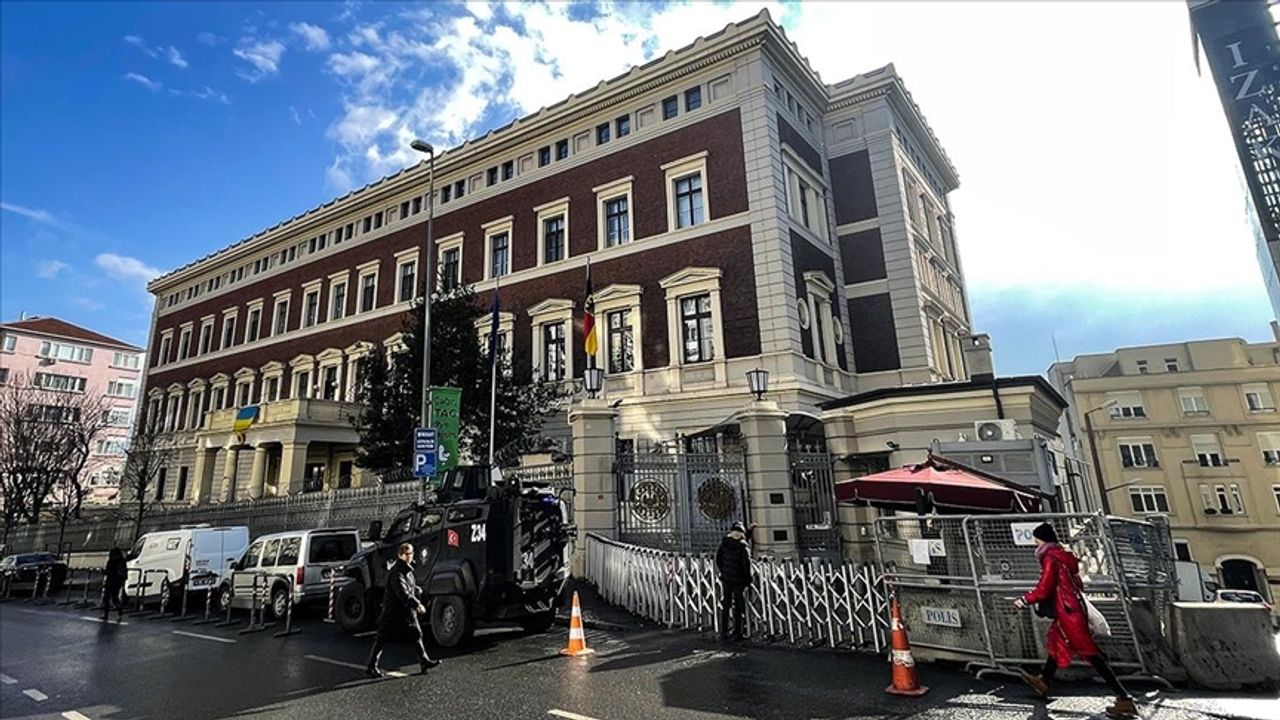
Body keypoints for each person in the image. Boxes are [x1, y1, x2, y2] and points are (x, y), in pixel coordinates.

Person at [1013, 523, 1136, 717]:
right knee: (1056, 641)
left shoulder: (1050, 557)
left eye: (1037, 541)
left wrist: (1025, 599)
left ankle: (1124, 698)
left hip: (1068, 611)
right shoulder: (1063, 555)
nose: (1035, 544)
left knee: (1092, 654)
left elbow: (1044, 587)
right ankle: (1044, 680)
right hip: (1072, 608)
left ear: (1043, 540)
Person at [366, 543, 440, 677]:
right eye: (408, 554)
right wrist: (417, 605)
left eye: (411, 553)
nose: (410, 556)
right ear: (401, 555)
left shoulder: (407, 570)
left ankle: (424, 661)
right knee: (382, 638)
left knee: (416, 634)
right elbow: (402, 592)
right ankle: (371, 666)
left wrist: (416, 589)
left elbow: (408, 587)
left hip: (405, 611)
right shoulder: (397, 572)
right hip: (393, 611)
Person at [715, 521, 754, 642]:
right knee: (738, 606)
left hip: (727, 579)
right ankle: (738, 632)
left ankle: (724, 631)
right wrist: (748, 580)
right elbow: (746, 565)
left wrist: (724, 571)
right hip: (739, 580)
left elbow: (718, 559)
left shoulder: (725, 543)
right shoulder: (743, 546)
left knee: (726, 605)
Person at [102, 547, 127, 621]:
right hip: (118, 582)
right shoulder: (122, 561)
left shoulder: (111, 561)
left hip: (110, 581)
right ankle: (120, 610)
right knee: (115, 598)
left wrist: (104, 572)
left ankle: (106, 614)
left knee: (106, 598)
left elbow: (107, 571)